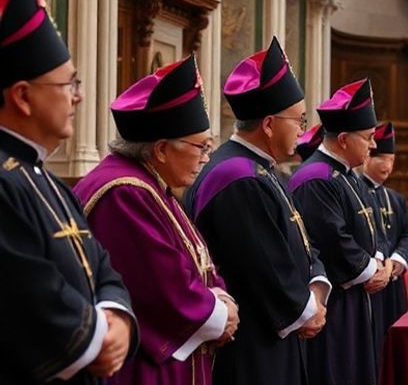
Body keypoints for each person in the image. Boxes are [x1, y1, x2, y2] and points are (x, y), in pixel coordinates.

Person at [0, 0, 137, 384]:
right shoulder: (5, 182)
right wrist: (99, 337)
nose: (78, 95)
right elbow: (23, 292)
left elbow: (105, 268)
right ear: (22, 96)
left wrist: (117, 316)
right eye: (68, 83)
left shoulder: (50, 182)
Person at [75, 56, 238, 385]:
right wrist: (220, 314)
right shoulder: (124, 192)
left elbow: (199, 263)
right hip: (144, 369)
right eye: (201, 147)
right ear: (162, 148)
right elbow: (160, 290)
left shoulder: (154, 185)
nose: (206, 158)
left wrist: (221, 299)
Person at [184, 37, 331, 385]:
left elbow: (303, 242)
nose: (302, 130)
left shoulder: (261, 168)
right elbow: (261, 266)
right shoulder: (238, 176)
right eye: (299, 120)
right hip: (252, 343)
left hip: (276, 332)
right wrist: (305, 310)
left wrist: (316, 287)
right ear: (268, 124)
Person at [289, 78, 385, 385]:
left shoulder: (345, 174)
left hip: (353, 294)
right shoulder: (316, 178)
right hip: (334, 300)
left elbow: (367, 225)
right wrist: (370, 269)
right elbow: (331, 238)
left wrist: (378, 261)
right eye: (368, 137)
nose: (373, 145)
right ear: (343, 139)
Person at [361, 122, 408, 330]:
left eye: (391, 159)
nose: (387, 166)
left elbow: (407, 235)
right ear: (367, 157)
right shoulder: (356, 193)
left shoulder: (396, 199)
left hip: (394, 279)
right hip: (371, 280)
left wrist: (395, 262)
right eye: (381, 159)